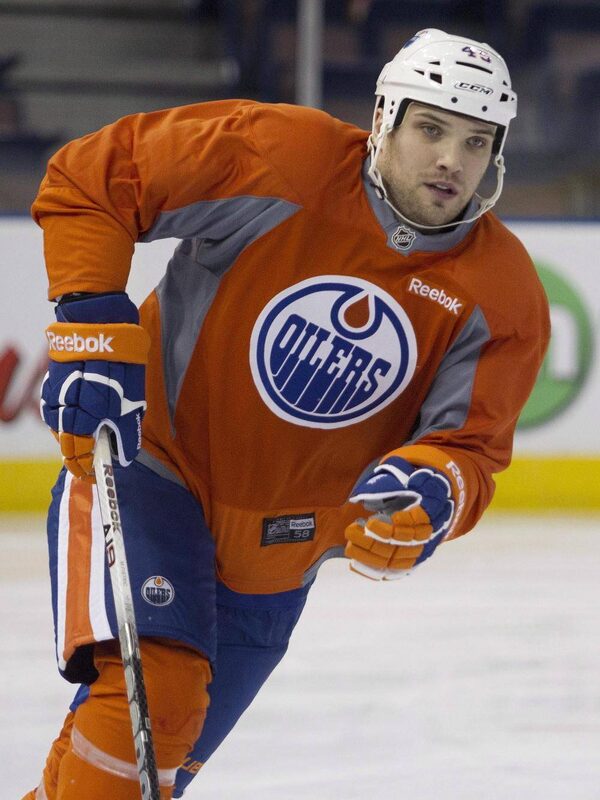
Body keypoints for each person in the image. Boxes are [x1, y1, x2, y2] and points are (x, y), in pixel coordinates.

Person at [23, 28, 549, 800]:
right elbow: (99, 175)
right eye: (432, 129)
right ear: (384, 118)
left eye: (476, 142)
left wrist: (430, 491)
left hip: (279, 559)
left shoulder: (502, 292)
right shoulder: (282, 156)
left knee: (148, 775)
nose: (451, 160)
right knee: (154, 710)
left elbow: (469, 446)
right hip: (148, 465)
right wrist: (93, 322)